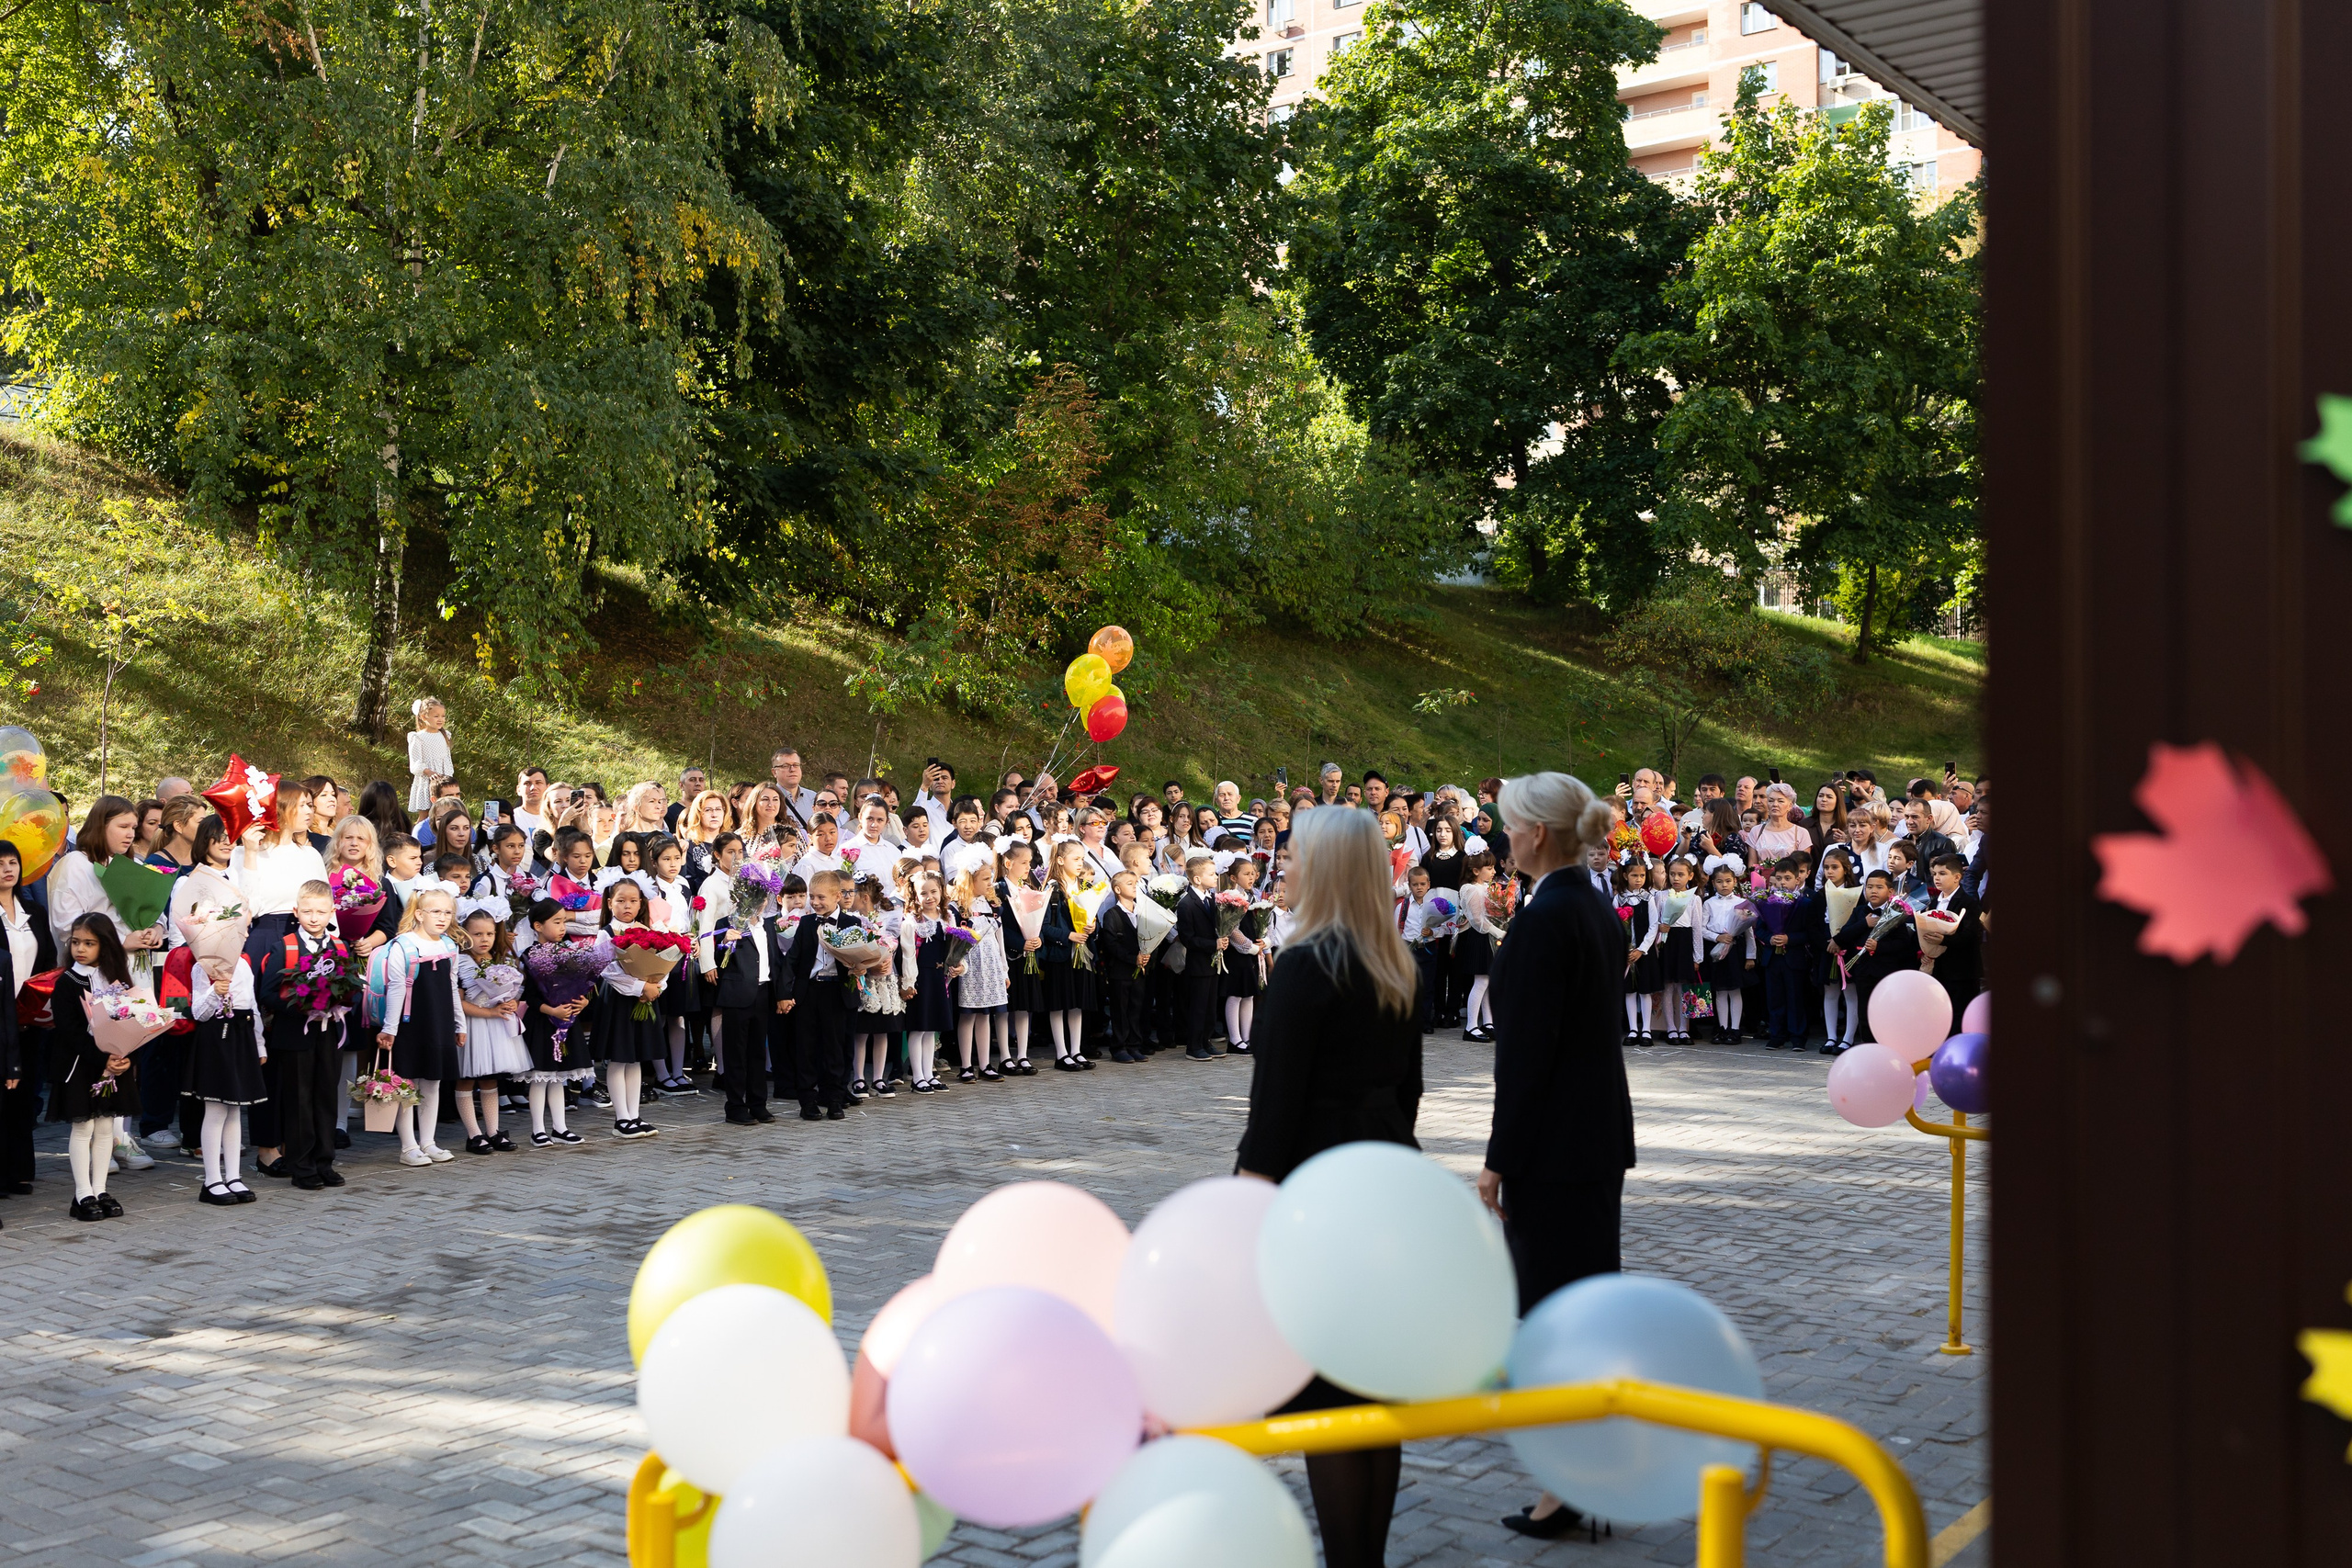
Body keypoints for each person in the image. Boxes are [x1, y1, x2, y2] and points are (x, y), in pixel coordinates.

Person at [1234, 805, 1422, 1568]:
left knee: (1329, 1393)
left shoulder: (1306, 963)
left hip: (1315, 1184)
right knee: (1371, 1386)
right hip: (1386, 1178)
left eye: (1295, 856)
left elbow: (1275, 1102)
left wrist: (1245, 1200)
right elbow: (1410, 1090)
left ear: (1325, 869)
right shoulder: (1396, 961)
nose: (1284, 866)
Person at [1475, 772, 1634, 1542]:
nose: (1504, 837)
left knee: (1556, 1316)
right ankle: (1583, 1470)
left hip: (1556, 1147)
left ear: (1537, 832)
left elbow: (1527, 1057)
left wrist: (1498, 1157)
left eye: (1510, 825)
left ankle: (1568, 1481)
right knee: (1582, 1310)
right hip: (1591, 1135)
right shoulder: (1591, 905)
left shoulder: (1549, 916)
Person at [51, 915, 146, 1221]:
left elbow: (135, 1021)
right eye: (76, 942)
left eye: (89, 943)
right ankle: (82, 1194)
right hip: (81, 1066)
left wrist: (127, 1056)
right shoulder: (67, 982)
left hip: (114, 1066)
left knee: (106, 1128)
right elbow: (69, 1031)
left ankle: (100, 1189)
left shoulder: (118, 980)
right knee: (83, 1128)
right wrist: (101, 1057)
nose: (80, 949)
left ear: (105, 946)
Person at [378, 886, 466, 1168]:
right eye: (435, 911)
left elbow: (452, 987)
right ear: (419, 914)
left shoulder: (449, 946)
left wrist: (460, 1023)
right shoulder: (403, 945)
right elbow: (395, 990)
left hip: (439, 1023)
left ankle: (428, 1141)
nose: (442, 918)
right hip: (410, 1023)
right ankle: (408, 1146)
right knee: (406, 1084)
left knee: (433, 1082)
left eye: (448, 912)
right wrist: (390, 1029)